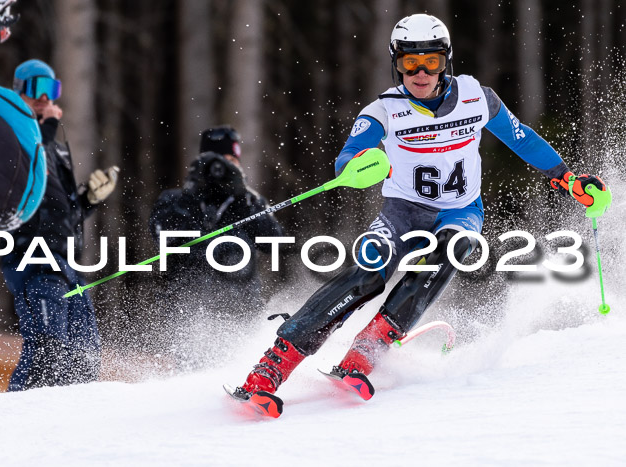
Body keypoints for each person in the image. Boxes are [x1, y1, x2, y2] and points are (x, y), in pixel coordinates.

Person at [229, 14, 608, 414]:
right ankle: (271, 368)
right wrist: (362, 163)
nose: (421, 72)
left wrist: (566, 178)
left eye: (431, 61)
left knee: (452, 249)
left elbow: (522, 139)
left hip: (460, 209)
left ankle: (367, 349)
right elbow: (346, 160)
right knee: (366, 273)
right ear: (397, 63)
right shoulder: (384, 111)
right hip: (404, 211)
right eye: (410, 63)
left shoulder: (477, 97)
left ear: (447, 60)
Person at [2, 59, 120, 391]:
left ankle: (69, 427)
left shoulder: (56, 149)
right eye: (35, 88)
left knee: (84, 357)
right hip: (32, 258)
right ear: (17, 93)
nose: (43, 98)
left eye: (51, 90)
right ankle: (10, 417)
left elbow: (60, 212)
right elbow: (25, 168)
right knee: (47, 352)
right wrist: (47, 128)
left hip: (64, 262)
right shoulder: (12, 134)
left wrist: (88, 200)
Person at [148, 126, 283, 368]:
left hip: (242, 309)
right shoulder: (176, 199)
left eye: (232, 161)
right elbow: (164, 237)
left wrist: (243, 197)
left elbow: (275, 242)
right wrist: (193, 190)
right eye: (218, 162)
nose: (225, 169)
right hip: (189, 314)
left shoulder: (248, 200)